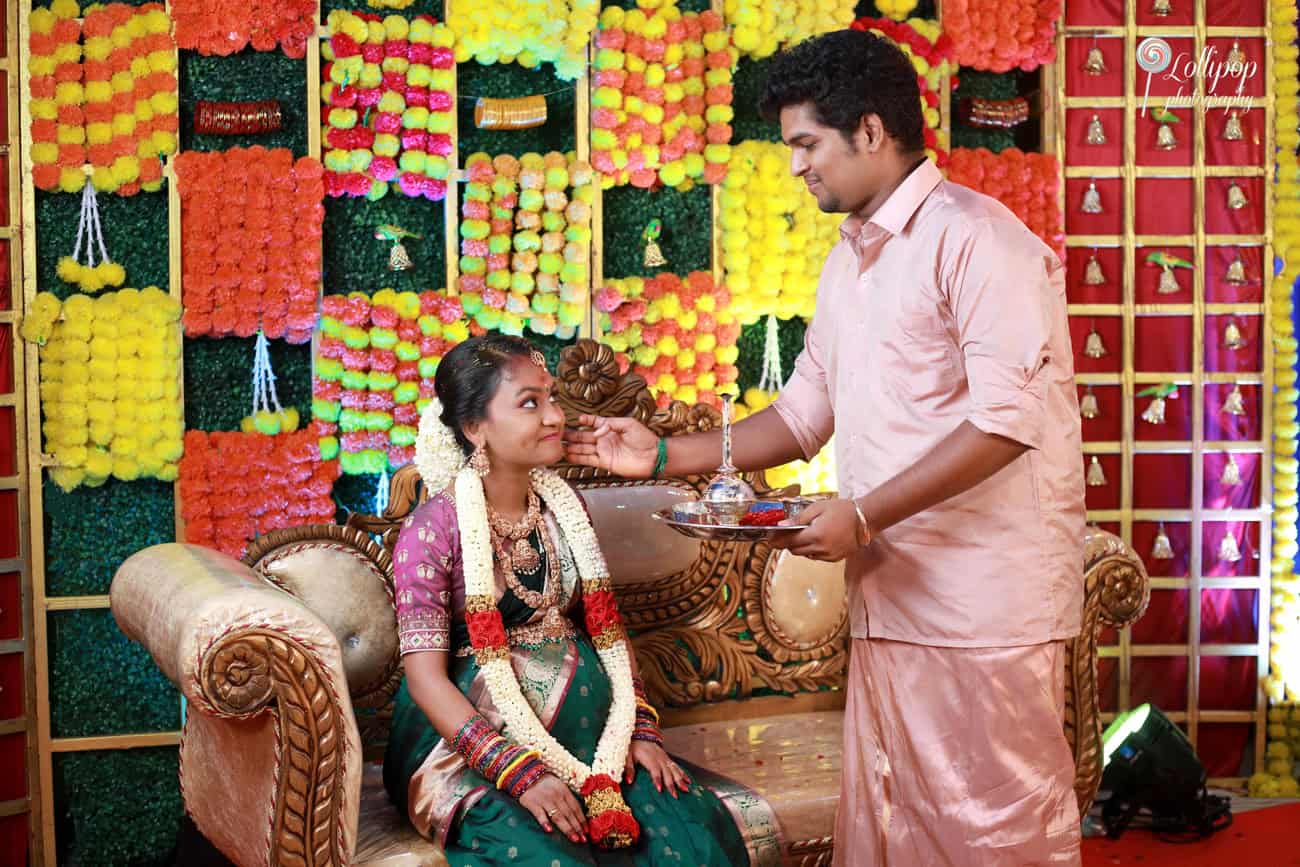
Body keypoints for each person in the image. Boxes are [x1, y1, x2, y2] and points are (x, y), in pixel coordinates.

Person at [564, 28, 1086, 867]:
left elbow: (1007, 420)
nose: (797, 166)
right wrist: (659, 455)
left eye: (807, 144)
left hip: (987, 606)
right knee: (896, 826)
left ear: (871, 131)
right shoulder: (849, 266)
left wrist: (867, 515)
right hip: (892, 599)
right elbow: (803, 416)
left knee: (996, 831)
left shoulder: (981, 242)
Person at [383, 333, 749, 866]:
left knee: (686, 834)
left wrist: (640, 730)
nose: (555, 416)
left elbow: (607, 633)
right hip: (472, 751)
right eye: (530, 403)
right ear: (473, 428)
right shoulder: (434, 529)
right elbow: (425, 679)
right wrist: (519, 773)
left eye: (551, 397)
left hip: (598, 737)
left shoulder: (563, 507)